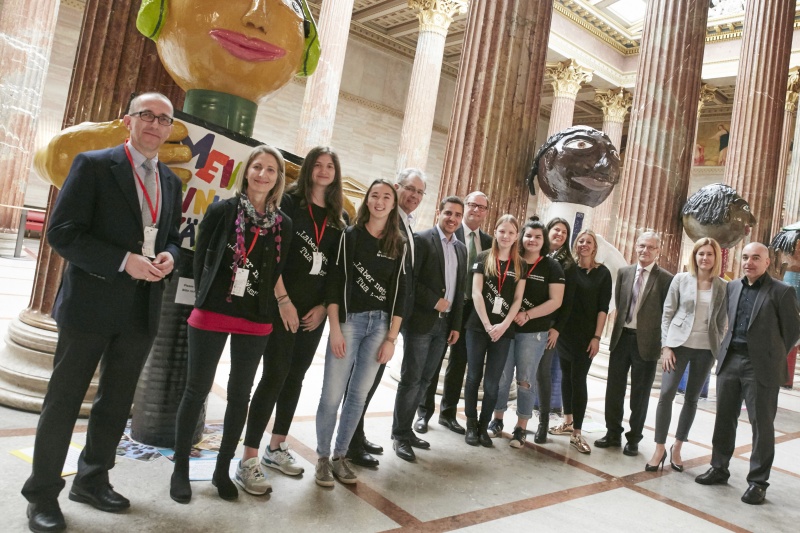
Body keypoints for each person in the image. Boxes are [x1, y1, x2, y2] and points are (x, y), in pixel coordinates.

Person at [22, 92, 182, 532]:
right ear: (127, 120)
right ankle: (41, 495)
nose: (154, 124)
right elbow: (62, 232)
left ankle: (92, 479)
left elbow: (169, 237)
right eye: (146, 115)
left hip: (140, 308)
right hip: (90, 305)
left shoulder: (171, 182)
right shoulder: (94, 165)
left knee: (115, 403)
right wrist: (121, 260)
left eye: (163, 119)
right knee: (64, 401)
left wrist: (169, 257)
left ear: (170, 129)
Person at [170, 145, 292, 503]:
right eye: (257, 167)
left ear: (277, 179)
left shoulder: (283, 223)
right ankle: (180, 469)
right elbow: (200, 260)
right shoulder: (223, 210)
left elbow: (276, 271)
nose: (263, 175)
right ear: (247, 171)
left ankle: (222, 469)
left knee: (240, 395)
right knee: (196, 389)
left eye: (270, 170)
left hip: (255, 317)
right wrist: (206, 296)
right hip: (212, 309)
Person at [240, 147, 347, 479]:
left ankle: (276, 447)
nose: (324, 170)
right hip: (280, 305)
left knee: (295, 378)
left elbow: (336, 273)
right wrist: (284, 300)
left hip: (312, 315)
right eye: (318, 164)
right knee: (274, 375)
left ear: (336, 173)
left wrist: (321, 310)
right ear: (308, 169)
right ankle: (249, 456)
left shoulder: (339, 218)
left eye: (330, 166)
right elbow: (271, 254)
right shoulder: (287, 202)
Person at [315, 179, 407, 486]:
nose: (380, 201)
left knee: (358, 396)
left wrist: (391, 338)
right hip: (349, 322)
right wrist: (335, 329)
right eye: (375, 196)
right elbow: (333, 282)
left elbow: (401, 293)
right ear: (367, 201)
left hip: (380, 327)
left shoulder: (398, 244)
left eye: (386, 198)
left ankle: (341, 456)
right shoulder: (349, 236)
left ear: (394, 205)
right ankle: (323, 458)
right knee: (331, 394)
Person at [696, 242, 800, 505]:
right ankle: (719, 467)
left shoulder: (782, 291)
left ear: (767, 262)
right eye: (745, 257)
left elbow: (793, 330)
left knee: (761, 425)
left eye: (756, 258)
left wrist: (772, 354)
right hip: (731, 359)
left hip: (760, 366)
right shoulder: (733, 286)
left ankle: (757, 482)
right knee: (724, 418)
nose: (749, 262)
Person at [346, 168, 422, 467]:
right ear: (395, 190)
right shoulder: (386, 227)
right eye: (408, 189)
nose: (413, 196)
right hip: (367, 318)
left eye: (419, 192)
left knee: (371, 381)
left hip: (388, 319)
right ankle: (351, 442)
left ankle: (357, 433)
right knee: (359, 383)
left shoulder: (406, 227)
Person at [391, 196, 467, 461]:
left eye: (458, 215)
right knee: (411, 379)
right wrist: (433, 300)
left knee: (425, 380)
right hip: (421, 322)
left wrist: (455, 324)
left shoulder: (461, 249)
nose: (453, 219)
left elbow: (460, 290)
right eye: (448, 213)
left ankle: (409, 430)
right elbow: (411, 281)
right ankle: (399, 435)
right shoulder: (423, 240)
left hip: (444, 325)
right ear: (439, 212)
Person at [647, 238, 726, 472]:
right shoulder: (680, 280)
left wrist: (718, 347)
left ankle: (678, 447)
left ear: (716, 258)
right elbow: (667, 314)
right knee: (666, 394)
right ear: (695, 256)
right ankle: (659, 447)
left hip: (705, 349)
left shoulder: (723, 286)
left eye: (709, 254)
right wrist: (666, 346)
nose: (705, 258)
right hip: (677, 345)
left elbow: (722, 321)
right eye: (701, 253)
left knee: (692, 398)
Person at [417, 191, 493, 435]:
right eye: (472, 205)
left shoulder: (489, 242)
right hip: (443, 304)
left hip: (470, 310)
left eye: (482, 207)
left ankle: (448, 413)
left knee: (459, 362)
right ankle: (423, 413)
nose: (476, 210)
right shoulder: (451, 232)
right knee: (433, 362)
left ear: (486, 212)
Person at [596, 231, 673, 456]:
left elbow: (667, 313)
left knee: (640, 394)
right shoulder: (624, 273)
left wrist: (665, 343)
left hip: (646, 343)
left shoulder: (666, 278)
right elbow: (619, 305)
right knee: (614, 390)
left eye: (650, 247)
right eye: (641, 246)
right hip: (621, 339)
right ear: (635, 247)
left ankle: (634, 438)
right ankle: (612, 433)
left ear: (658, 251)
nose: (644, 251)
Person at [489, 219, 565, 448]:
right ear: (521, 237)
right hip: (507, 329)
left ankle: (521, 428)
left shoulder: (552, 267)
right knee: (503, 377)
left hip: (533, 332)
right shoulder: (513, 261)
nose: (532, 240)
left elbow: (556, 301)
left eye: (538, 237)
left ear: (544, 241)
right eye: (528, 235)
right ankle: (497, 419)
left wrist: (529, 314)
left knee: (525, 380)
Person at [463, 215, 525, 447]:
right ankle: (470, 424)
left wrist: (504, 325)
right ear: (496, 232)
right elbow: (477, 292)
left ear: (516, 236)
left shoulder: (520, 264)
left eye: (510, 232)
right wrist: (488, 324)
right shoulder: (482, 258)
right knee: (473, 377)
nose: (506, 236)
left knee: (493, 383)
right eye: (502, 231)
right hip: (479, 327)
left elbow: (518, 298)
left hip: (504, 330)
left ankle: (483, 426)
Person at [548, 229, 611, 454]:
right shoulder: (569, 269)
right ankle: (567, 421)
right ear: (576, 245)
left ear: (595, 247)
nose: (584, 244)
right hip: (566, 333)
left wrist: (597, 337)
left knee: (579, 379)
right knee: (566, 376)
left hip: (586, 337)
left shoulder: (603, 273)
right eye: (581, 241)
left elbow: (603, 308)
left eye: (589, 242)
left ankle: (577, 432)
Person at [535, 218, 577, 436]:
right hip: (527, 320)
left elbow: (567, 302)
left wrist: (557, 328)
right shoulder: (535, 255)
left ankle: (543, 423)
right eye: (556, 229)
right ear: (548, 231)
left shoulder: (569, 264)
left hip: (550, 326)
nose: (559, 234)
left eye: (564, 231)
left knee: (543, 372)